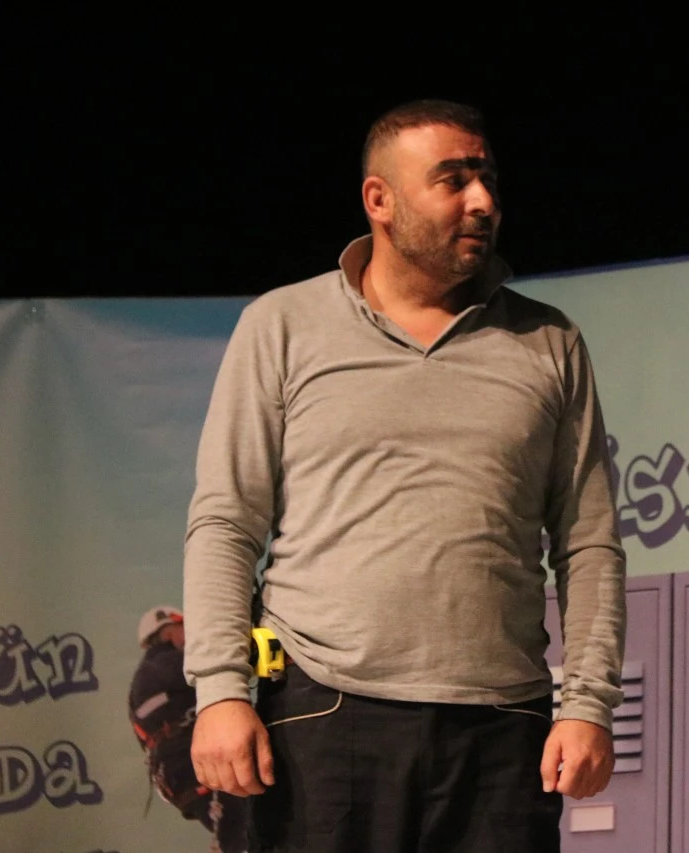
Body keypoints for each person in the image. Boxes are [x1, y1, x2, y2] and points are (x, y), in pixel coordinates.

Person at [182, 99, 626, 852]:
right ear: (379, 200)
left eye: (487, 179)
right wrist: (221, 691)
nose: (482, 201)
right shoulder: (282, 325)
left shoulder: (549, 340)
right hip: (324, 713)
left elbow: (589, 543)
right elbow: (227, 521)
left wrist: (588, 704)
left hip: (501, 725)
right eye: (453, 180)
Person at [128, 605, 248, 853]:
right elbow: (221, 661)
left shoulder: (142, 682)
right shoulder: (167, 664)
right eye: (183, 628)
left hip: (184, 781)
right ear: (167, 631)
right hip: (203, 771)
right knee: (251, 834)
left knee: (241, 837)